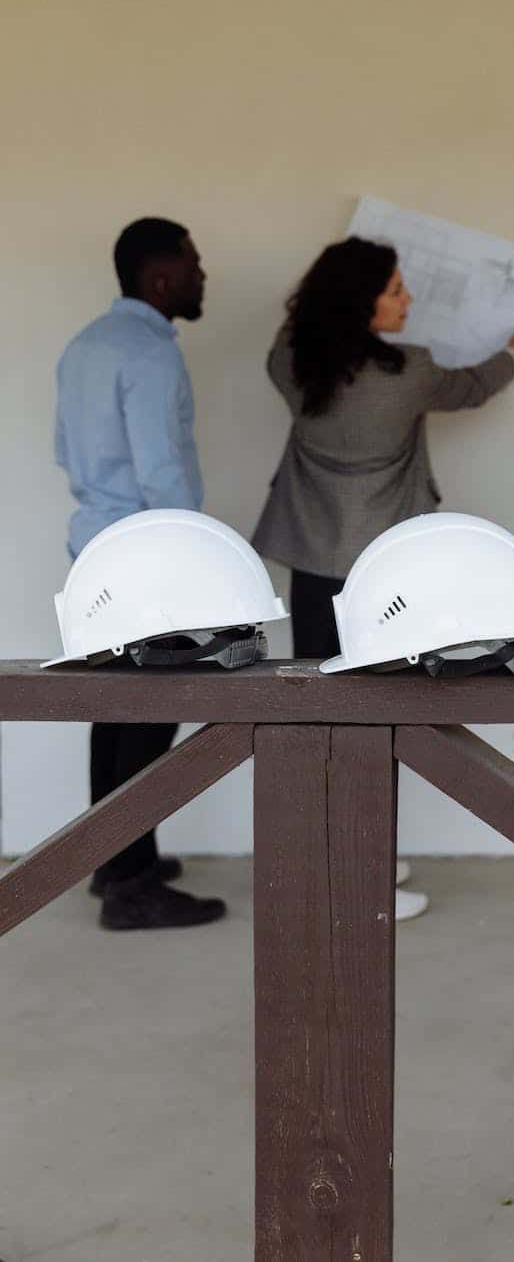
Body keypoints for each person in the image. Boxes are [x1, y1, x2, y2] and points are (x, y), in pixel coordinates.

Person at [253, 235, 514, 920]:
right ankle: (360, 873)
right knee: (374, 717)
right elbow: (472, 387)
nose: (409, 299)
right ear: (362, 301)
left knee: (317, 710)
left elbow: (295, 336)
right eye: (394, 289)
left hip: (312, 560)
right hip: (384, 573)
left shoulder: (291, 363)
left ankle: (336, 855)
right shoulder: (409, 371)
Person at [54, 217, 226, 930]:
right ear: (161, 279)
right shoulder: (150, 355)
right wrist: (195, 556)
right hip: (151, 556)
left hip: (94, 549)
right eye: (193, 264)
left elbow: (66, 450)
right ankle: (131, 884)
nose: (202, 275)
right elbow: (161, 471)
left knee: (114, 708)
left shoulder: (85, 345)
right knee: (152, 714)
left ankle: (114, 859)